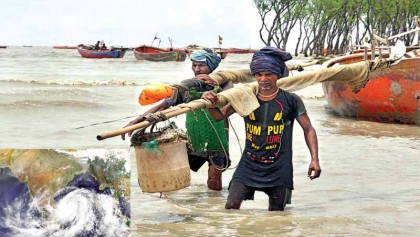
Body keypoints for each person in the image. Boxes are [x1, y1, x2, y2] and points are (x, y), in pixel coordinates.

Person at [201, 46, 321, 210]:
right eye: (258, 74)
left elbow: (308, 129)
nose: (263, 79)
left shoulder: (291, 100)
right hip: (249, 165)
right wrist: (208, 102)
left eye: (268, 74)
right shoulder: (245, 97)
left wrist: (314, 159)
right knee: (230, 206)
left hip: (279, 167)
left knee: (277, 216)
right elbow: (218, 116)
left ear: (278, 74)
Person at [122, 48, 231, 191]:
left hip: (217, 137)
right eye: (194, 65)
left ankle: (213, 209)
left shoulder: (224, 83)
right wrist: (135, 122)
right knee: (174, 170)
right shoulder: (186, 87)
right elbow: (163, 106)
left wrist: (216, 88)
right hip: (195, 135)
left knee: (214, 179)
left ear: (211, 66)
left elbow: (232, 102)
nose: (197, 69)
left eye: (201, 65)